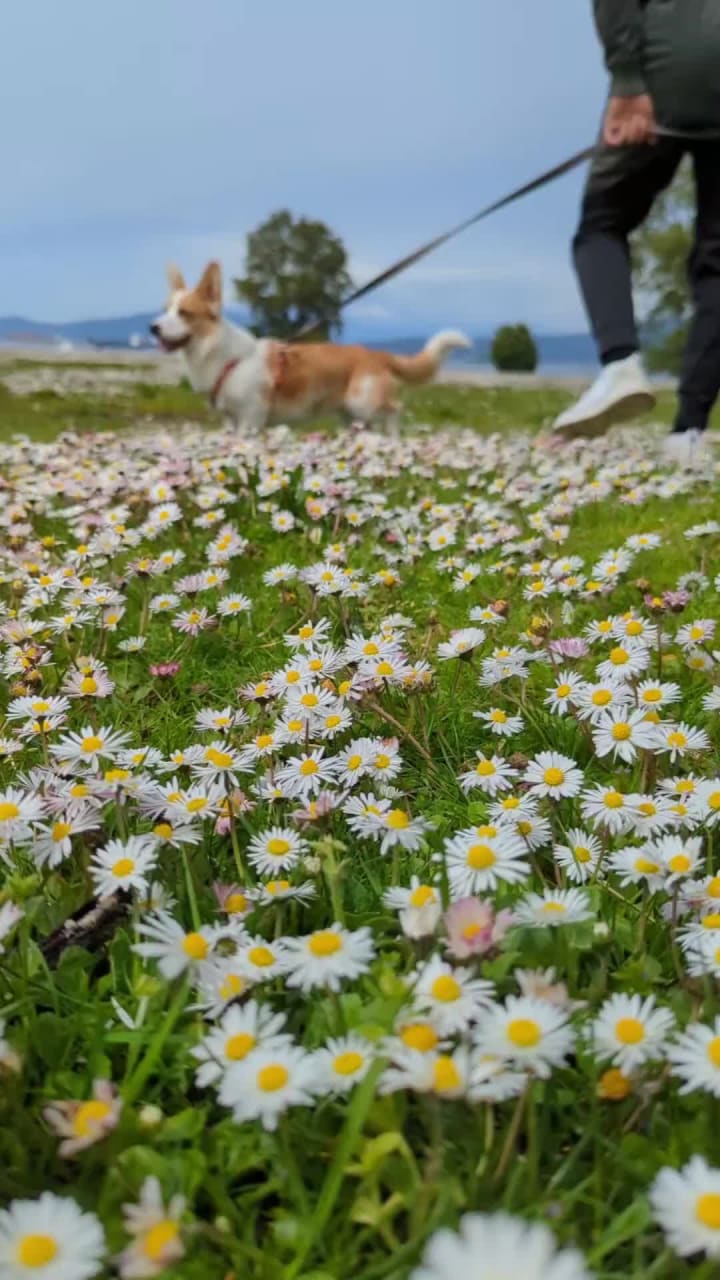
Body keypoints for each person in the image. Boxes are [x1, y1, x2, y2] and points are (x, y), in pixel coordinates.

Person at [554, 0, 720, 457]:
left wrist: (627, 81)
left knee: (601, 224)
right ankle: (687, 433)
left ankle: (620, 363)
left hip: (670, 73)